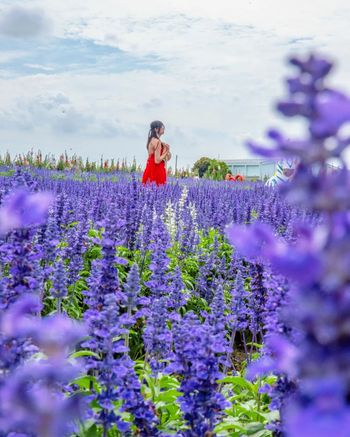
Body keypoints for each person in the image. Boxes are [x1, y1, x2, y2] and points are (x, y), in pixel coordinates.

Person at [142, 120, 171, 186]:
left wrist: (166, 151)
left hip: (150, 168)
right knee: (158, 191)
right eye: (162, 127)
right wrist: (166, 151)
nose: (164, 129)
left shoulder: (151, 140)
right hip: (157, 170)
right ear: (156, 129)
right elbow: (157, 160)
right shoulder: (157, 142)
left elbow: (167, 157)